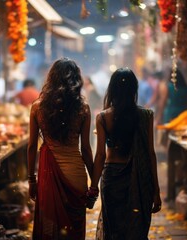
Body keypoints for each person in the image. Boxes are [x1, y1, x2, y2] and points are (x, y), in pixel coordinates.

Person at [90, 67, 162, 239]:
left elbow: (100, 156)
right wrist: (156, 190)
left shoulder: (103, 117)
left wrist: (93, 188)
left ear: (112, 89)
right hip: (138, 180)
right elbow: (150, 154)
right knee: (135, 229)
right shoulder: (146, 115)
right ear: (134, 90)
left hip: (111, 180)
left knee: (113, 230)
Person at [27, 58, 94, 240]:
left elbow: (32, 146)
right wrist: (95, 184)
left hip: (49, 178)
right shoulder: (84, 108)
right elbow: (86, 149)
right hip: (76, 176)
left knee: (50, 227)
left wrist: (31, 180)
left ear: (51, 78)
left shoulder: (37, 107)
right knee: (74, 229)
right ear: (76, 80)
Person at [82, 76, 102, 150]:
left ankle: (91, 147)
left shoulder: (90, 89)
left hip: (92, 112)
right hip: (92, 111)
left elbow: (91, 102)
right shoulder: (91, 89)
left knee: (90, 131)